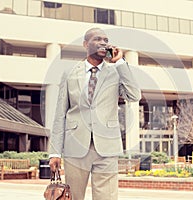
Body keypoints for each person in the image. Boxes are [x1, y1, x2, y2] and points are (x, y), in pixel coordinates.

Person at [48, 27, 141, 200]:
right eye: (98, 39)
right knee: (73, 197)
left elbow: (134, 95)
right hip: (75, 146)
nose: (103, 43)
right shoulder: (69, 73)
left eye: (105, 40)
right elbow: (60, 114)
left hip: (107, 146)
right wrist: (54, 152)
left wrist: (120, 62)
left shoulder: (116, 72)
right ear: (85, 44)